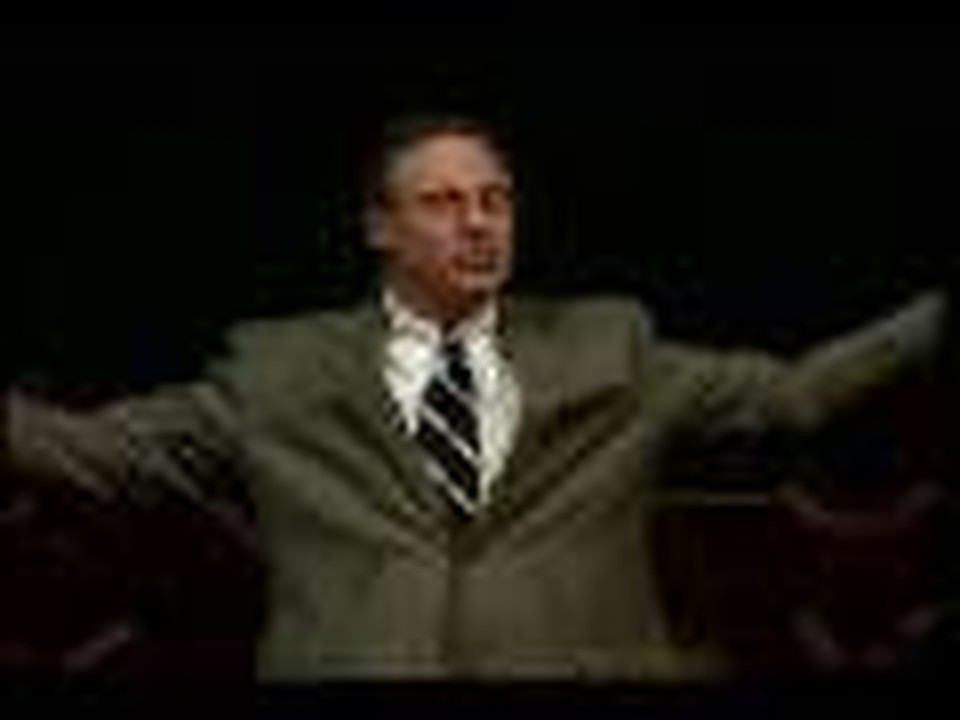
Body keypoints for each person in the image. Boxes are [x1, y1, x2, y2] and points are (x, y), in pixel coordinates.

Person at [1, 113, 951, 681]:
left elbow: (796, 398)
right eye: (444, 203)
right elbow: (97, 457)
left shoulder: (612, 351)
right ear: (380, 227)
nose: (479, 223)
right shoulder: (281, 376)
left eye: (495, 201)